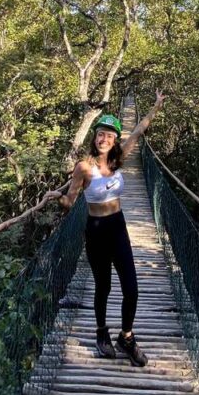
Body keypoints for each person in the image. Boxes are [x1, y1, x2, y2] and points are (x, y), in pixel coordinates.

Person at [58, 92, 165, 366]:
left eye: (109, 135)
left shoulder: (118, 160)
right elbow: (70, 201)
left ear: (115, 140)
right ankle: (101, 333)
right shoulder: (83, 167)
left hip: (118, 226)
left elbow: (139, 130)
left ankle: (126, 337)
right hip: (95, 230)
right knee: (103, 286)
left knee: (131, 288)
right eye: (100, 134)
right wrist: (55, 197)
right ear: (94, 138)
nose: (104, 139)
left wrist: (155, 106)